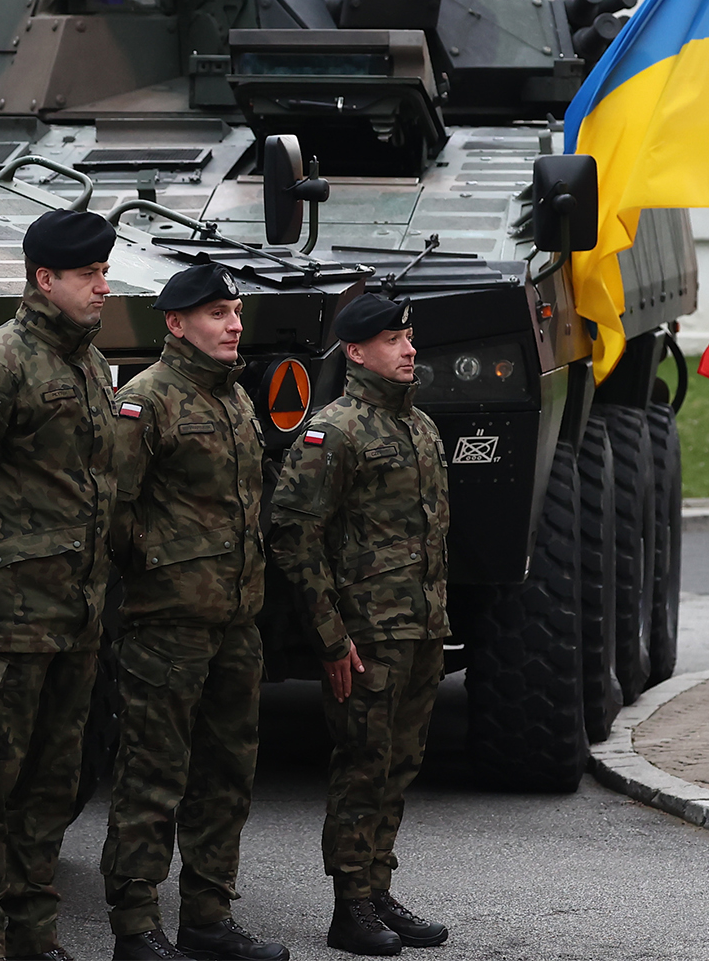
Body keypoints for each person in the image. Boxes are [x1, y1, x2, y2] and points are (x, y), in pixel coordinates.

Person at [0, 209, 120, 961]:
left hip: (73, 617)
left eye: (105, 272)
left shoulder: (90, 363)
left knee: (50, 788)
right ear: (46, 279)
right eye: (89, 275)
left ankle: (32, 931)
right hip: (2, 623)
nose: (103, 287)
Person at [100, 264, 289, 961]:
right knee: (152, 774)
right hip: (167, 623)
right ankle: (137, 926)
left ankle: (208, 917)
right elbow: (113, 510)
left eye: (236, 310)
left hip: (235, 622)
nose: (233, 323)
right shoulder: (147, 401)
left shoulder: (234, 400)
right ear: (176, 323)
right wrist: (162, 566)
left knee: (227, 772)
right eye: (216, 312)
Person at [271, 294, 452, 957]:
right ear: (355, 350)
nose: (408, 348)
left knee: (399, 764)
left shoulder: (421, 428)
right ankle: (350, 905)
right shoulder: (335, 432)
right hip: (366, 634)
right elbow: (293, 536)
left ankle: (378, 889)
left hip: (420, 627)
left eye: (409, 335)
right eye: (392, 339)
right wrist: (331, 636)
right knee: (361, 765)